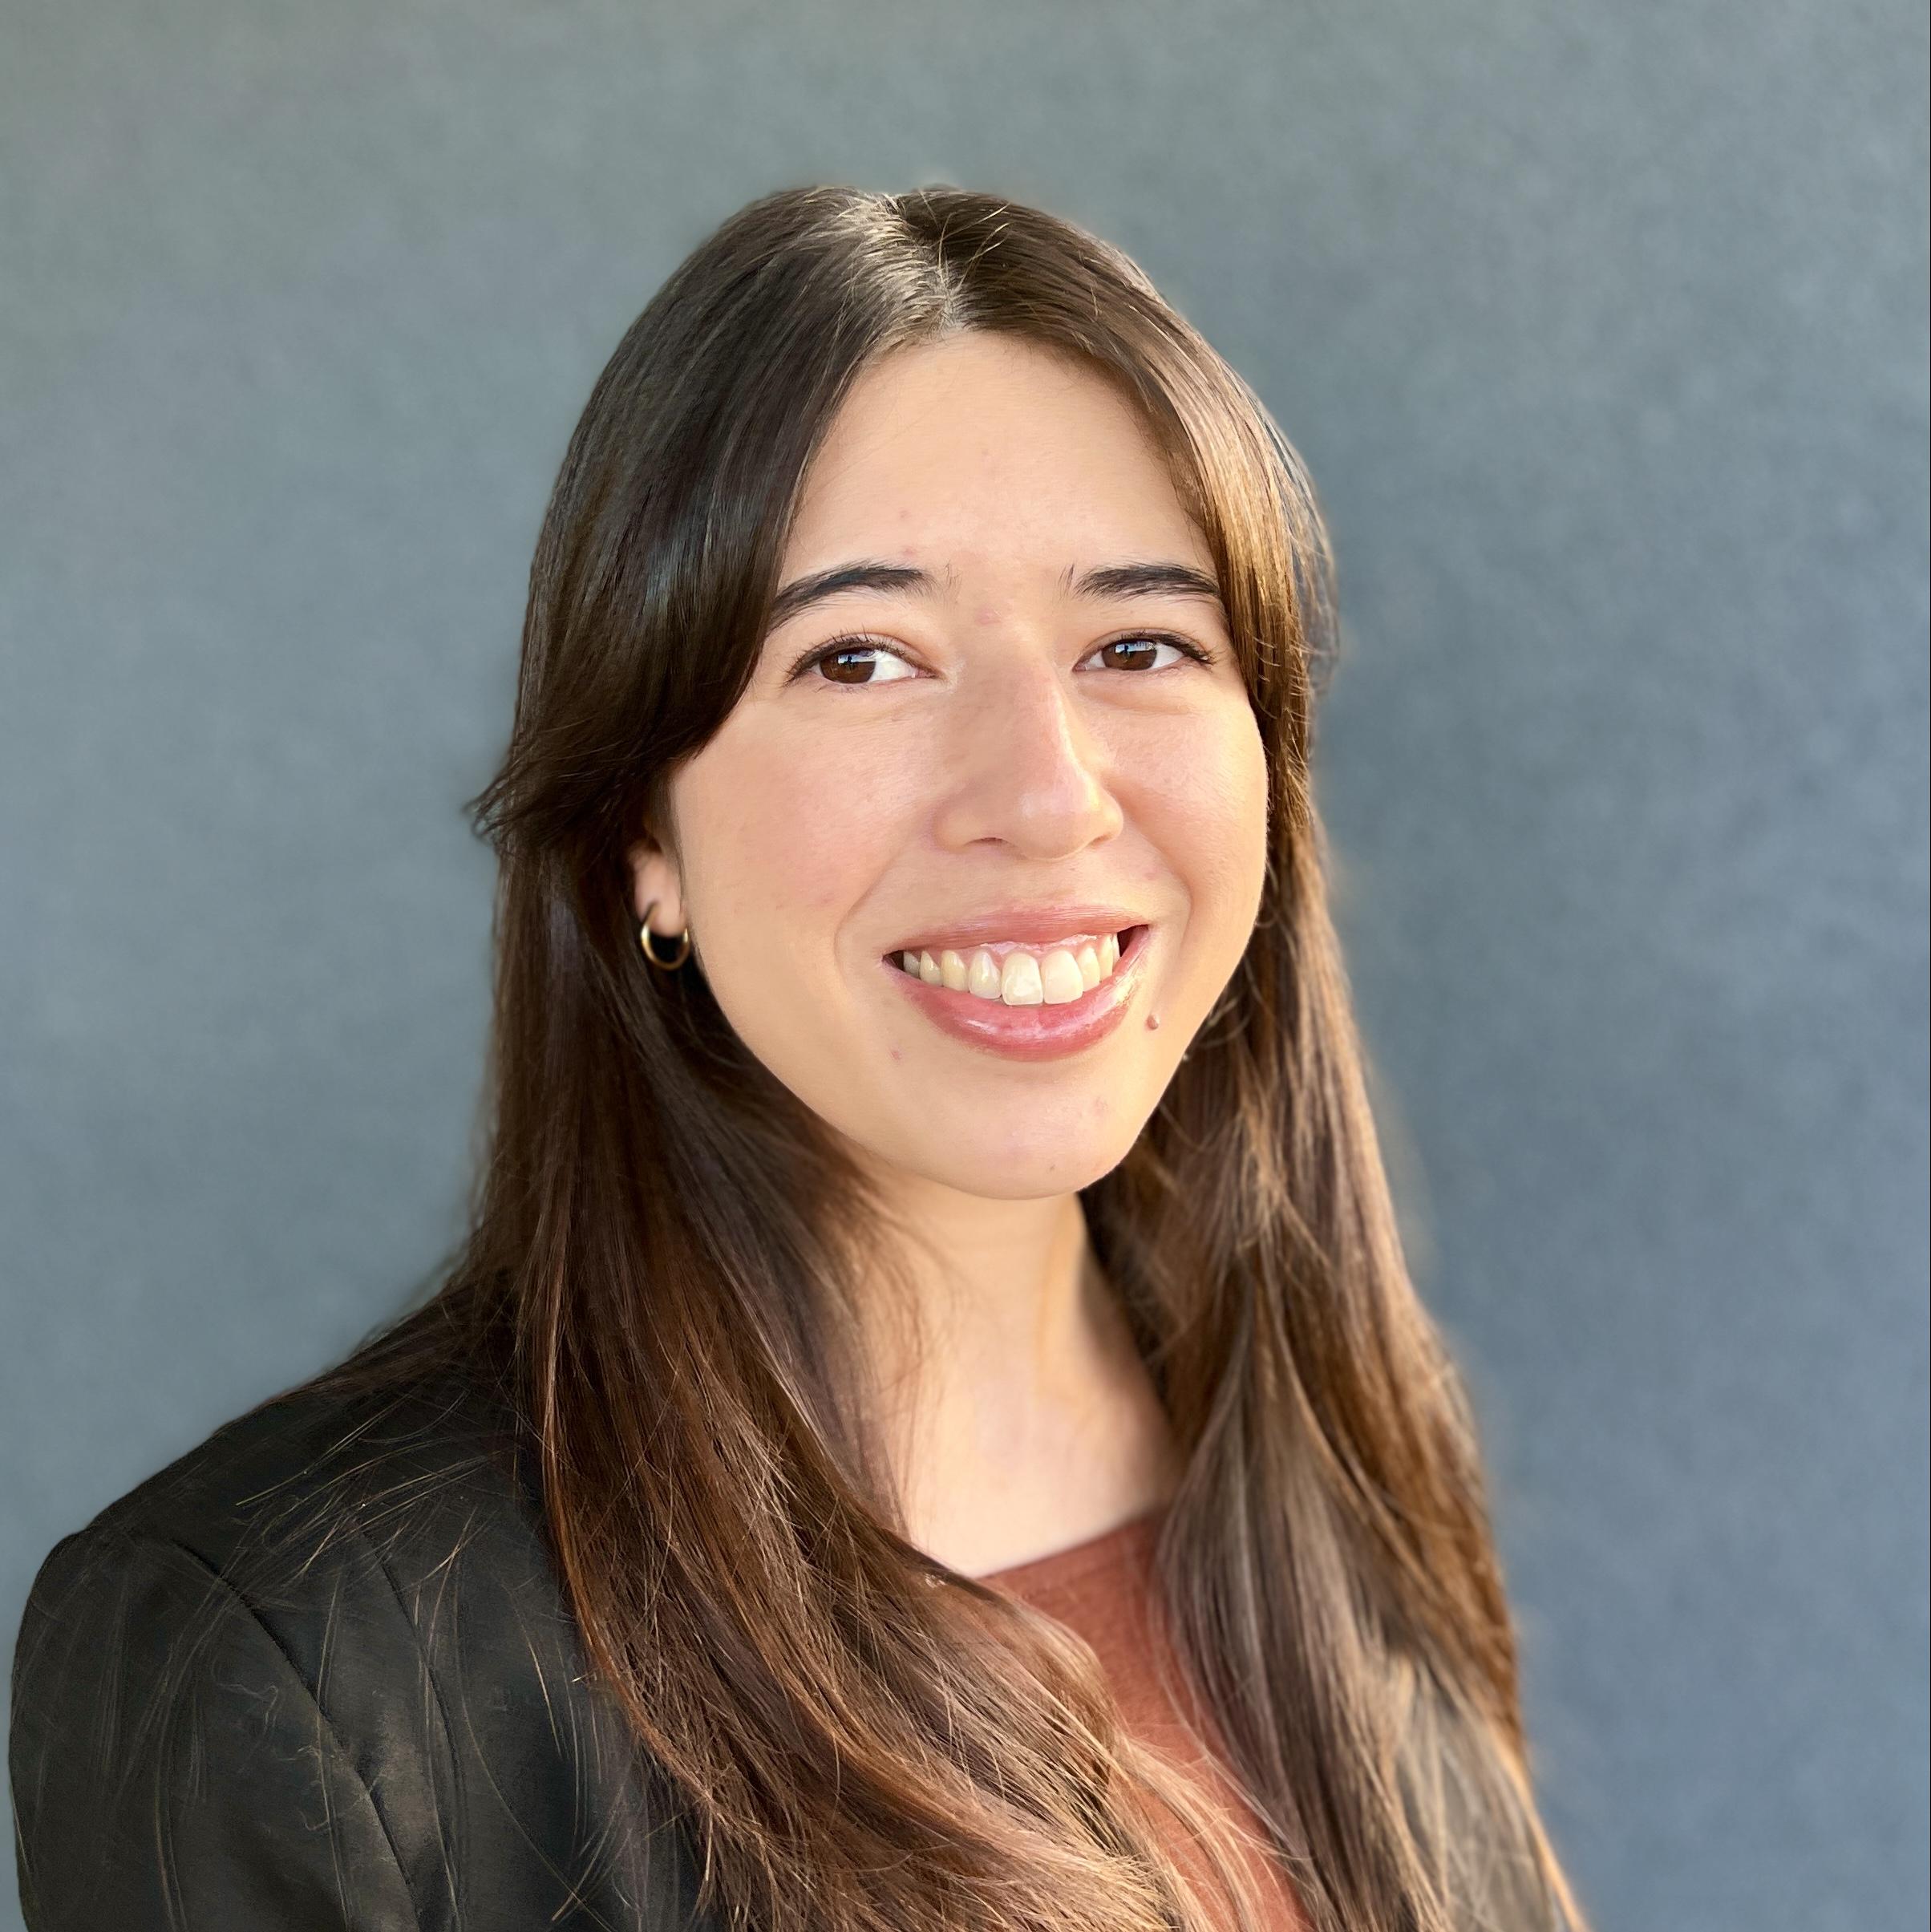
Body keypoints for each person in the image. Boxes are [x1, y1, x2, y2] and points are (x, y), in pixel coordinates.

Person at [9, 184, 1590, 1932]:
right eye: (861, 658)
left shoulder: (1345, 1462)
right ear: (642, 836)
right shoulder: (290, 1664)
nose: (1045, 794)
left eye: (1141, 643)